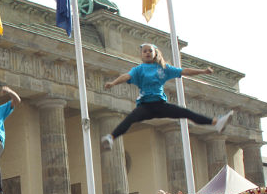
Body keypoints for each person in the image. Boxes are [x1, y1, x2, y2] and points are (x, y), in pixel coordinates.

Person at [100, 43, 233, 150]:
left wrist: (203, 71)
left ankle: (216, 122)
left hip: (160, 105)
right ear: (141, 55)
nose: (147, 53)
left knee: (186, 112)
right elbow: (126, 76)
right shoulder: (139, 69)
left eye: (149, 51)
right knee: (130, 119)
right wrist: (113, 83)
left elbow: (184, 71)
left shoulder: (163, 68)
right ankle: (111, 137)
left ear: (155, 53)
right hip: (145, 106)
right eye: (144, 51)